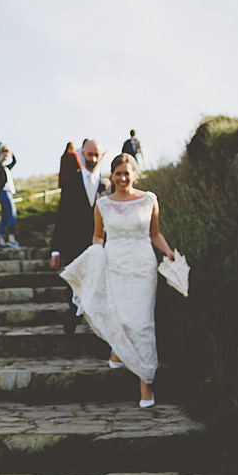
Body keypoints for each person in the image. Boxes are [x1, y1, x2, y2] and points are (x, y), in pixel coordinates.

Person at [60, 154, 175, 408]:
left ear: (135, 174)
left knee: (142, 321)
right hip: (115, 264)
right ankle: (118, 347)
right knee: (121, 315)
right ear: (111, 176)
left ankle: (145, 382)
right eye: (118, 173)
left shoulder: (149, 200)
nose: (123, 178)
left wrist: (168, 251)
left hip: (143, 265)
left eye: (127, 173)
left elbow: (154, 233)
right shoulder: (103, 205)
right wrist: (94, 259)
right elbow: (98, 236)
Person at [50, 139, 107, 333]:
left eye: (96, 155)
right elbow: (62, 217)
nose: (93, 159)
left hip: (101, 245)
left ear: (102, 156)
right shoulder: (71, 182)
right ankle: (73, 316)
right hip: (73, 243)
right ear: (82, 154)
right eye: (89, 154)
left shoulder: (108, 185)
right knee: (74, 283)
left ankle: (99, 327)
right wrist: (55, 249)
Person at [0, 141, 19, 249]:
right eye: (4, 154)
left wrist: (11, 152)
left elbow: (15, 161)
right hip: (4, 192)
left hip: (8, 193)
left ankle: (2, 241)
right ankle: (11, 239)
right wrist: (1, 144)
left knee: (5, 217)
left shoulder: (6, 168)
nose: (6, 156)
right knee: (12, 215)